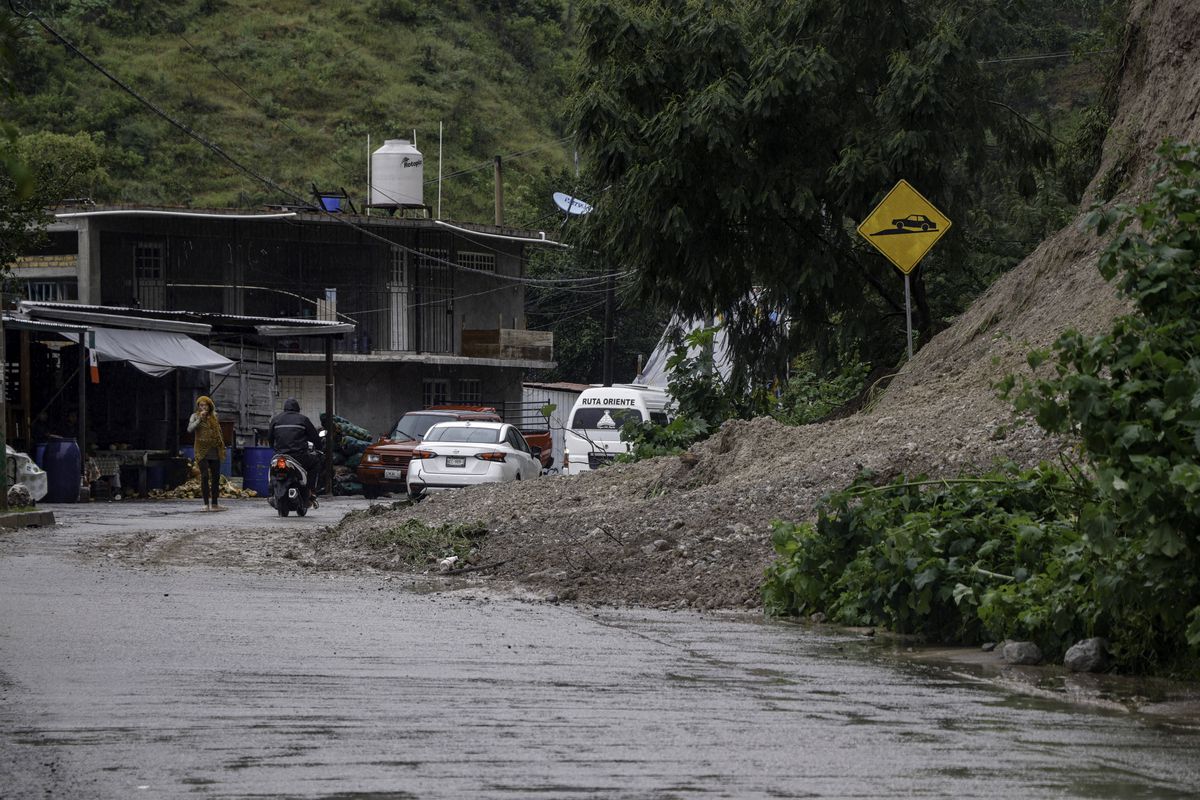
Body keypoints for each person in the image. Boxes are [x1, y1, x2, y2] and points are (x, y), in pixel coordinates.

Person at [268, 397, 322, 507]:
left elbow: (270, 439)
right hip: (298, 456)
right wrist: (319, 448)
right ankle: (311, 490)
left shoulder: (276, 419)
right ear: (297, 409)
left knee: (271, 469)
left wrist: (276, 448)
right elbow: (315, 438)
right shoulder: (303, 419)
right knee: (315, 462)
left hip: (279, 455)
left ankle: (271, 492)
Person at [188, 396, 226, 512]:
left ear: (209, 406)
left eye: (205, 405)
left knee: (216, 477)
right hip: (201, 451)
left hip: (214, 450)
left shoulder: (214, 416)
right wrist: (200, 419)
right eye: (201, 405)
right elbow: (190, 429)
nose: (203, 407)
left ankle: (215, 504)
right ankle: (205, 504)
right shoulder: (195, 416)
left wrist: (221, 445)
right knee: (205, 476)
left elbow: (218, 431)